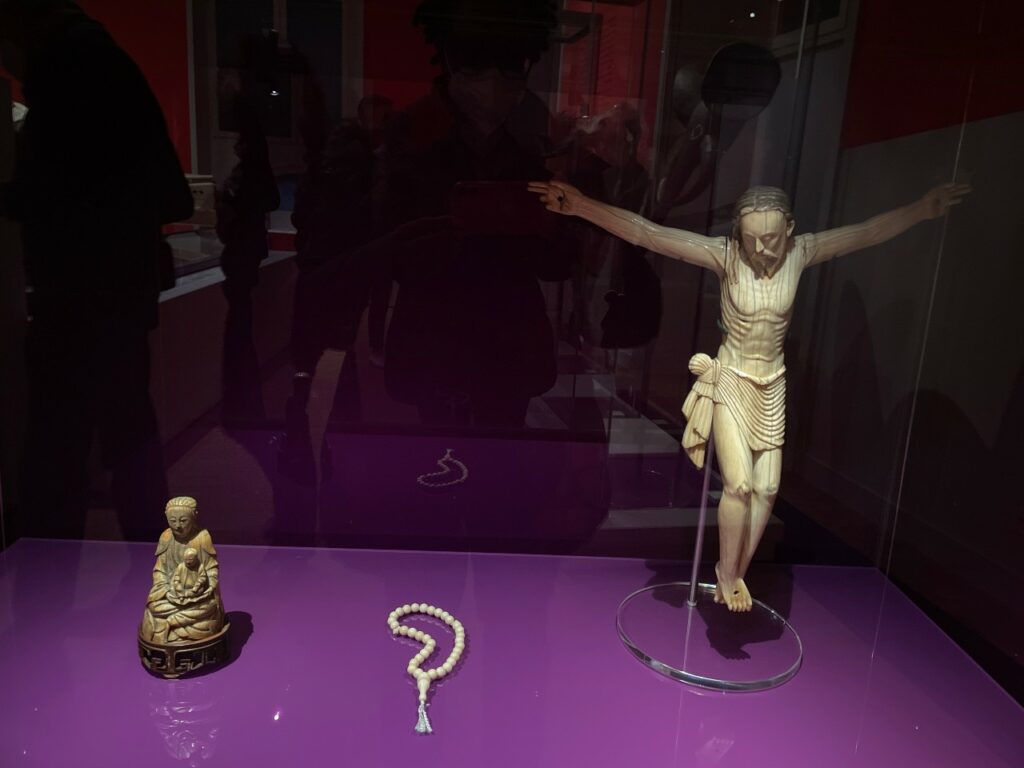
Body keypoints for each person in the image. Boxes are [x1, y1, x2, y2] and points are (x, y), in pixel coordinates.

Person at [529, 179, 970, 610]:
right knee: (739, 485)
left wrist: (920, 209)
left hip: (772, 384)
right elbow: (650, 234)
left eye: (772, 239)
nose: (761, 250)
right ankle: (726, 574)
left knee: (770, 486)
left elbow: (866, 233)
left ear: (790, 230)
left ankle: (737, 572)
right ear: (738, 235)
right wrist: (583, 207)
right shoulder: (725, 256)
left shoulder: (802, 253)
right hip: (732, 381)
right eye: (752, 239)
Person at [0, 0, 193, 540]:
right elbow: (166, 191)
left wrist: (21, 197)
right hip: (113, 291)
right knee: (126, 432)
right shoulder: (94, 57)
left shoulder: (70, 60)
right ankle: (155, 577)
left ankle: (48, 594)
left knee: (60, 448)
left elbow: (56, 189)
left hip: (83, 294)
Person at [141, 497, 225, 644]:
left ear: (194, 517)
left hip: (198, 598)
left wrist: (208, 588)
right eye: (172, 521)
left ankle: (171, 626)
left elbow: (211, 569)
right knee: (154, 607)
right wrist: (168, 591)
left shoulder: (202, 538)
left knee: (210, 607)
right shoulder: (166, 537)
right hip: (172, 595)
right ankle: (176, 625)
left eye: (183, 520)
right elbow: (160, 571)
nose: (178, 526)